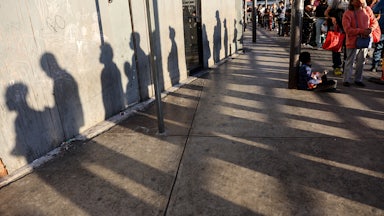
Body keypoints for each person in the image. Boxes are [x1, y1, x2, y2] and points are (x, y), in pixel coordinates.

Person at [342, 0, 379, 87]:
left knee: (361, 61)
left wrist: (370, 30)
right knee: (350, 61)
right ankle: (346, 79)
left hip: (364, 40)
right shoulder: (348, 13)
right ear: (352, 2)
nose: (360, 2)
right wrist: (363, 31)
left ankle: (358, 79)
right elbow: (347, 30)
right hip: (353, 40)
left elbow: (374, 22)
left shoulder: (367, 10)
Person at [325, 0, 349, 75]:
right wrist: (331, 18)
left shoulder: (352, 2)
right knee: (336, 47)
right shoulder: (335, 1)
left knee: (348, 47)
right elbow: (326, 12)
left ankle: (346, 67)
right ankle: (337, 67)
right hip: (337, 27)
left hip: (348, 27)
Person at [370, 0, 384, 72]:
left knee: (378, 48)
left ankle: (374, 66)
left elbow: (374, 10)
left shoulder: (382, 2)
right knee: (379, 47)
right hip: (381, 27)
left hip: (382, 27)